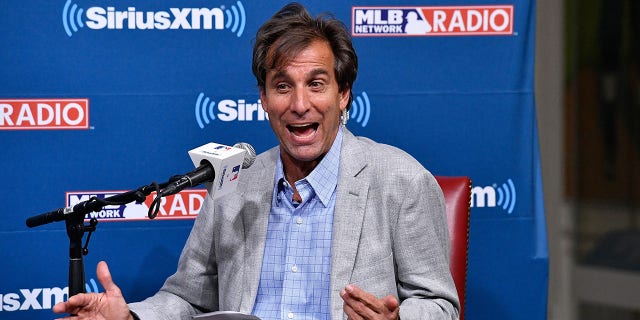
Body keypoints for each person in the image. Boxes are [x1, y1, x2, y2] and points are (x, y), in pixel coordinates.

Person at [53, 3, 460, 319]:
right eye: (282, 86)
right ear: (263, 99)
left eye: (316, 84)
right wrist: (132, 316)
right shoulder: (233, 183)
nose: (300, 105)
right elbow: (187, 297)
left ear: (343, 94)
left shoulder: (401, 179)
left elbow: (441, 307)